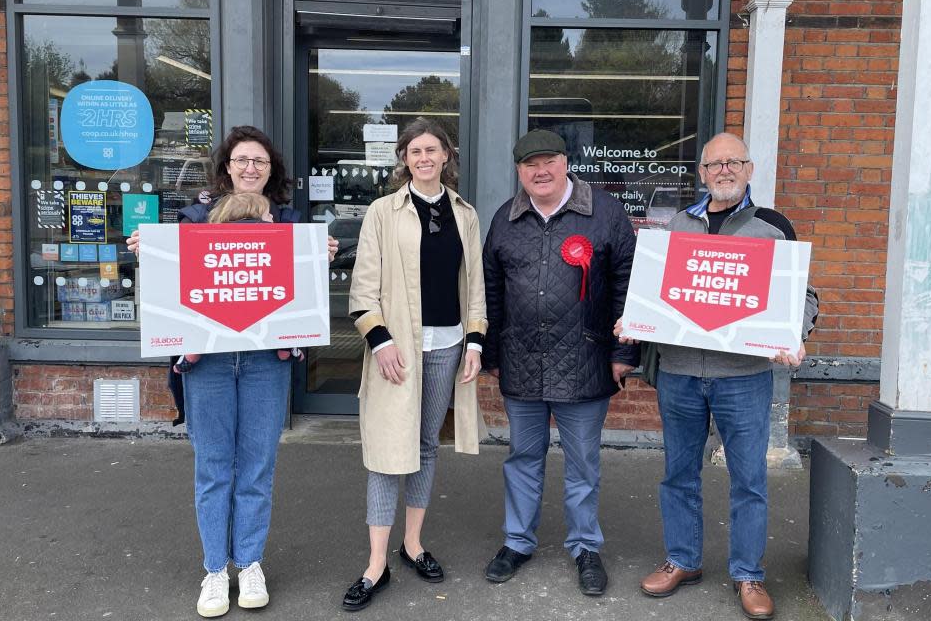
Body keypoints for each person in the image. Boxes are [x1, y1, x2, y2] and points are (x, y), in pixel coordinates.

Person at [126, 125, 337, 619]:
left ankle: (250, 561)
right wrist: (147, 250)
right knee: (214, 467)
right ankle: (216, 570)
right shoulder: (193, 220)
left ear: (270, 170)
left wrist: (318, 259)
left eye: (259, 161)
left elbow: (300, 293)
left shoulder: (290, 223)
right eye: (241, 160)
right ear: (226, 167)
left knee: (258, 468)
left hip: (267, 361)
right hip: (209, 364)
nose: (249, 168)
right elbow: (170, 282)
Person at [622, 132, 819, 620]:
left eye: (734, 162)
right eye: (715, 164)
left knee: (749, 479)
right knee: (678, 473)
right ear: (702, 173)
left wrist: (796, 334)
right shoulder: (674, 226)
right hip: (681, 373)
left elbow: (805, 296)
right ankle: (682, 560)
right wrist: (635, 320)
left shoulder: (772, 228)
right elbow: (650, 291)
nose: (724, 170)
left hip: (744, 377)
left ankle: (748, 573)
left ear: (750, 170)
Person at [480, 128, 637, 597]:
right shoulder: (505, 219)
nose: (540, 171)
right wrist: (491, 353)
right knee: (522, 457)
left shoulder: (605, 213)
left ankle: (586, 546)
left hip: (586, 359)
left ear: (566, 162)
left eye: (549, 161)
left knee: (583, 463)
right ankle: (517, 542)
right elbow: (489, 289)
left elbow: (628, 285)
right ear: (519, 171)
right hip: (521, 360)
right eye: (530, 165)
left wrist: (624, 352)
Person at [342, 117, 487, 612]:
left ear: (447, 155)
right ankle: (376, 564)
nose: (423, 158)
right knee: (387, 450)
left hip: (447, 345)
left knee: (425, 445)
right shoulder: (382, 212)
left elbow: (475, 286)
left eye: (432, 149)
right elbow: (363, 289)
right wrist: (379, 341)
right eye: (414, 151)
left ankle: (413, 545)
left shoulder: (465, 214)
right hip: (397, 348)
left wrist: (475, 342)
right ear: (404, 158)